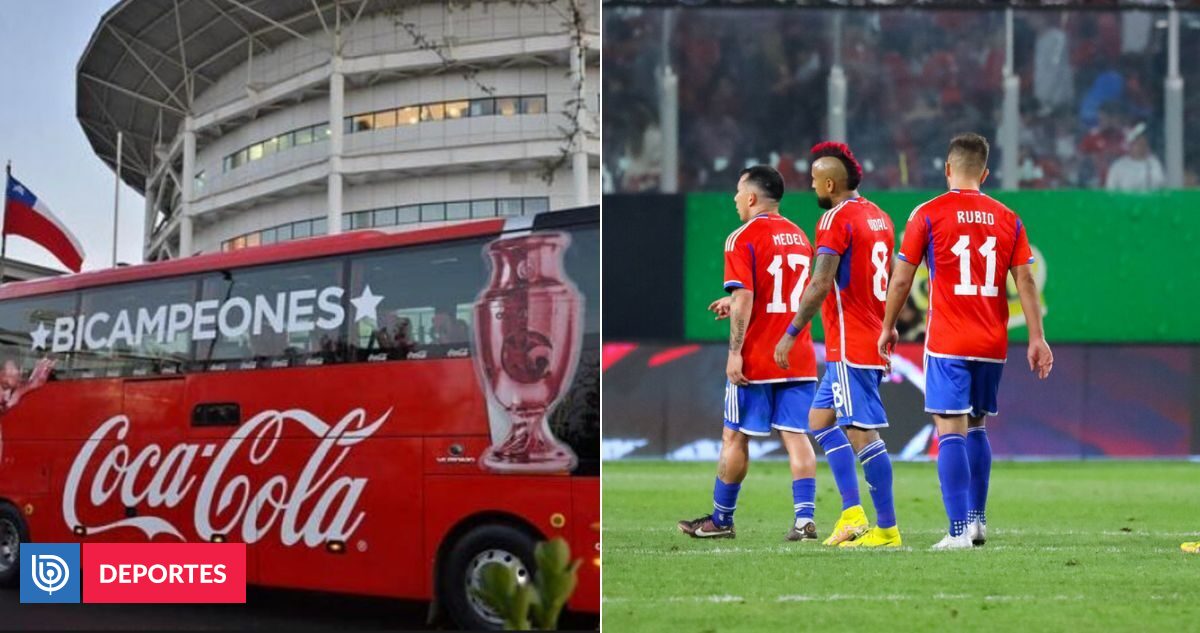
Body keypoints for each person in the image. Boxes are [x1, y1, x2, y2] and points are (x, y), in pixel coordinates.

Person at [878, 133, 1053, 550]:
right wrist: (1037, 338)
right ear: (986, 173)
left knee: (949, 428)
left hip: (948, 339)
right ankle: (976, 522)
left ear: (947, 169)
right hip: (991, 342)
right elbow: (1025, 279)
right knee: (977, 426)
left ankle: (957, 531)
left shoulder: (928, 213)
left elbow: (902, 277)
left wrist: (887, 325)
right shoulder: (1008, 217)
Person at [678, 165, 821, 541]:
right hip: (797, 355)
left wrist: (735, 352)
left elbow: (746, 295)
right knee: (796, 436)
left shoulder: (740, 238)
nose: (735, 199)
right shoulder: (799, 237)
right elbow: (785, 293)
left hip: (757, 359)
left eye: (739, 193)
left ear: (753, 197)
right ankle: (805, 520)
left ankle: (721, 521)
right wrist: (735, 302)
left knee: (734, 438)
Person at [773, 142, 900, 548]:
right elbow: (895, 273)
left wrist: (791, 332)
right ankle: (851, 514)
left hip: (851, 344)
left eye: (813, 181)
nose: (811, 188)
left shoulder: (834, 218)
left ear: (830, 183)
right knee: (819, 421)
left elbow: (821, 281)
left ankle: (887, 529)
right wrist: (891, 323)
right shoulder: (879, 216)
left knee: (862, 434)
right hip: (866, 337)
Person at [1105, 125, 1165, 191]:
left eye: (1144, 143)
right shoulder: (1118, 166)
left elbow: (1161, 186)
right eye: (1139, 144)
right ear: (1130, 145)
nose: (1142, 147)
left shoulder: (1154, 163)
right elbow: (1111, 192)